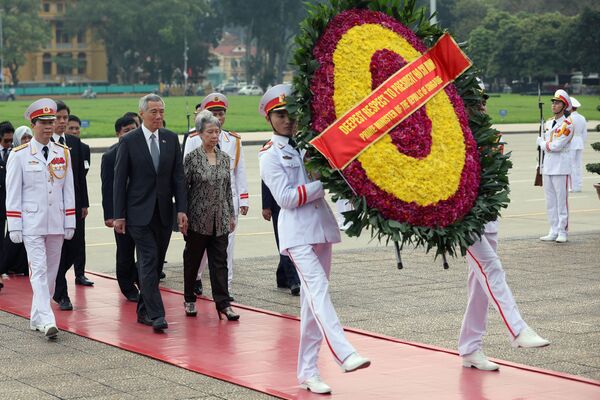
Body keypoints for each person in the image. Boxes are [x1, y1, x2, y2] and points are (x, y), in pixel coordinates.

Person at [259, 84, 370, 394]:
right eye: (280, 115)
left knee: (311, 305)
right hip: (296, 234)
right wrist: (322, 183)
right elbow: (285, 198)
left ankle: (308, 372)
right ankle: (344, 353)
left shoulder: (309, 146)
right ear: (270, 119)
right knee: (318, 289)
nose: (288, 120)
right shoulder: (269, 155)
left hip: (320, 228)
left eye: (292, 114)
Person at [459, 93, 550, 370]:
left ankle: (470, 348)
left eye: (483, 101)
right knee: (492, 268)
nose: (482, 106)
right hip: (464, 220)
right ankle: (518, 330)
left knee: (479, 286)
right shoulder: (455, 134)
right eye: (475, 102)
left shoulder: (491, 135)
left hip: (488, 217)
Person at [113, 94, 187, 333]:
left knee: (155, 266)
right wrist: (119, 215)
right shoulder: (130, 141)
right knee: (148, 259)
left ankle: (144, 310)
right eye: (153, 112)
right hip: (138, 214)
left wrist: (182, 209)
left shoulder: (170, 138)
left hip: (164, 213)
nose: (158, 116)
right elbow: (119, 180)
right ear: (142, 113)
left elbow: (178, 177)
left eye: (161, 111)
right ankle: (157, 315)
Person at [5, 98, 76, 338]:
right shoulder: (20, 155)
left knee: (52, 273)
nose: (49, 126)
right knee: (38, 270)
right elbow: (13, 192)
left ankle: (37, 316)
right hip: (32, 223)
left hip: (55, 221)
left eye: (51, 121)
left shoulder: (63, 152)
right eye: (43, 122)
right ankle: (47, 320)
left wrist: (70, 221)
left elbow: (68, 190)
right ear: (33, 125)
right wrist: (14, 225)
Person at [184, 93, 249, 297]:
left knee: (226, 248)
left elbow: (239, 171)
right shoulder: (194, 139)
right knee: (200, 248)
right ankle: (195, 277)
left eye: (221, 114)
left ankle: (225, 289)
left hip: (227, 202)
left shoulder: (233, 140)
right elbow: (186, 174)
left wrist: (244, 199)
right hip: (201, 203)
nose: (218, 117)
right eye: (213, 113)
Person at [182, 110, 239, 320]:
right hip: (198, 220)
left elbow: (227, 189)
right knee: (193, 260)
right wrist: (183, 216)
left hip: (221, 219)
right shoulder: (192, 159)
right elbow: (184, 189)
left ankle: (223, 303)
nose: (214, 136)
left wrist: (231, 216)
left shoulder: (224, 158)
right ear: (200, 134)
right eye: (210, 132)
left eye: (217, 131)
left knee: (220, 262)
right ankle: (189, 298)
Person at [52, 100, 92, 311]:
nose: (61, 122)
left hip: (74, 206)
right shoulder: (44, 143)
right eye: (57, 118)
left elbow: (80, 178)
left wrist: (84, 203)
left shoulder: (75, 144)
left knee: (74, 247)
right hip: (51, 208)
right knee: (57, 249)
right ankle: (61, 293)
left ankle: (55, 277)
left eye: (64, 118)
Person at [101, 116, 139, 301]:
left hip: (144, 211)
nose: (131, 133)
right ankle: (127, 287)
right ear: (118, 133)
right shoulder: (110, 156)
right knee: (125, 252)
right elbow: (107, 187)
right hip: (122, 213)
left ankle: (141, 278)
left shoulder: (147, 151)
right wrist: (110, 215)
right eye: (127, 130)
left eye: (134, 128)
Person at [537, 90, 574, 243]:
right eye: (553, 102)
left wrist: (542, 143)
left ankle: (562, 231)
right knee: (550, 201)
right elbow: (547, 146)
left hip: (560, 166)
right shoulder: (547, 122)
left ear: (564, 106)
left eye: (557, 103)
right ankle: (553, 230)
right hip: (548, 166)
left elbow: (557, 146)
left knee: (561, 200)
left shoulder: (568, 124)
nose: (553, 105)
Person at [261, 179, 300, 295]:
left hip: (297, 203)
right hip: (278, 204)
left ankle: (282, 276)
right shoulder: (270, 159)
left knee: (294, 241)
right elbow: (266, 179)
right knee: (284, 242)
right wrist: (266, 206)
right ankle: (294, 281)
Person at [66, 114, 92, 286]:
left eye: (77, 128)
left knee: (79, 239)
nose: (75, 131)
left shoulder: (84, 148)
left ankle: (80, 273)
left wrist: (84, 203)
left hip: (77, 200)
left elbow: (83, 178)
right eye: (71, 128)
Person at [568, 97, 587, 193]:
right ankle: (579, 186)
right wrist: (582, 142)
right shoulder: (582, 117)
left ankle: (572, 187)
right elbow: (585, 133)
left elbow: (567, 133)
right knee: (578, 164)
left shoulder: (569, 118)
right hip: (579, 141)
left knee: (571, 165)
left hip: (571, 142)